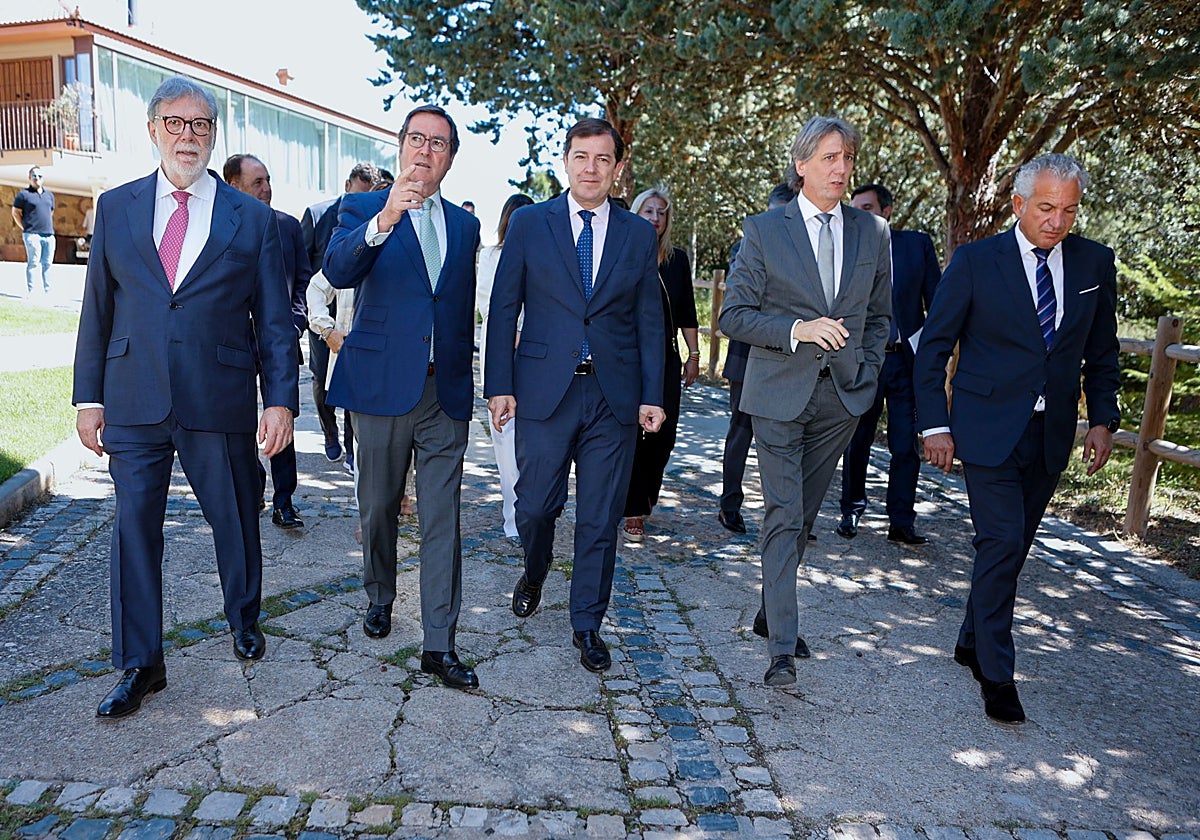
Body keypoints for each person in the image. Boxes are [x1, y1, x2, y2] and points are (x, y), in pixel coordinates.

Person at [72, 76, 298, 719]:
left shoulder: (251, 218)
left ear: (213, 135)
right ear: (153, 130)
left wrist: (279, 400)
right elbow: (97, 310)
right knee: (133, 533)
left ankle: (243, 616)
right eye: (176, 123)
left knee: (235, 518)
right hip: (134, 395)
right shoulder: (116, 208)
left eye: (200, 126)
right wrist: (89, 398)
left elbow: (275, 321)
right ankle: (142, 663)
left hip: (217, 395)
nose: (188, 136)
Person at [914, 153, 1120, 724]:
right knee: (1002, 540)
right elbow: (934, 348)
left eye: (1069, 210)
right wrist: (936, 424)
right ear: (1018, 204)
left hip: (1050, 433)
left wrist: (1102, 419)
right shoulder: (977, 261)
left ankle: (970, 636)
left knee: (1013, 546)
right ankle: (997, 675)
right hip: (984, 429)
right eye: (1047, 207)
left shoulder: (1095, 263)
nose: (1057, 221)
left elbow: (1101, 353)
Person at [485, 117, 666, 674]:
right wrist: (499, 387)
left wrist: (652, 394)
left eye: (603, 159)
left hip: (613, 398)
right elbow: (503, 308)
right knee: (536, 505)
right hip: (543, 392)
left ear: (616, 167)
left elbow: (648, 321)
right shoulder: (532, 225)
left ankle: (587, 623)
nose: (592, 168)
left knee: (600, 518)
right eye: (581, 157)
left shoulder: (638, 234)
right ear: (565, 161)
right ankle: (535, 569)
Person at [719, 116, 892, 687]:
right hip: (776, 394)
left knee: (805, 516)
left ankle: (772, 608)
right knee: (783, 513)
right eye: (828, 158)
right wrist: (799, 329)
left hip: (842, 399)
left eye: (846, 158)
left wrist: (865, 373)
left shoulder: (873, 234)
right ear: (801, 164)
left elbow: (880, 317)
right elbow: (733, 316)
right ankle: (782, 651)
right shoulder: (765, 230)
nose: (841, 169)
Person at [324, 104, 482, 691]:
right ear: (400, 146)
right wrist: (385, 218)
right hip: (381, 387)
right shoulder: (363, 206)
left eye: (438, 143)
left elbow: (458, 309)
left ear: (449, 158)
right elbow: (339, 269)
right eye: (417, 139)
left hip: (445, 392)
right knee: (380, 506)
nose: (426, 151)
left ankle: (439, 643)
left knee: (444, 521)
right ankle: (380, 592)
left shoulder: (464, 228)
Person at [835, 183, 941, 545]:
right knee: (856, 439)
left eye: (866, 207)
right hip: (863, 361)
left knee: (904, 444)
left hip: (905, 363)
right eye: (854, 209)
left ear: (887, 210)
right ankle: (850, 510)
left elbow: (937, 305)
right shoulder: (845, 250)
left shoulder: (916, 246)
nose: (858, 215)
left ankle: (901, 521)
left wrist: (926, 354)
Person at [223, 153, 312, 529]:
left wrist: (294, 322)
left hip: (279, 344)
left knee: (281, 418)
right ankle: (253, 481)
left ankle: (284, 499)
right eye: (257, 182)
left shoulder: (287, 227)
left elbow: (304, 282)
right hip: (232, 347)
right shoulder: (217, 226)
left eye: (268, 180)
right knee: (237, 423)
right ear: (233, 186)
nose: (267, 188)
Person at [621, 186, 699, 541]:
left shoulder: (676, 260)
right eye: (648, 211)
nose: (654, 218)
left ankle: (645, 496)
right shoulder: (621, 254)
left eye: (661, 212)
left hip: (665, 358)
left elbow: (687, 313)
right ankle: (630, 507)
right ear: (636, 214)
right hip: (625, 357)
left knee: (662, 434)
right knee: (629, 433)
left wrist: (693, 355)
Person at [718, 182, 796, 535]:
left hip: (790, 358)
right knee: (741, 432)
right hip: (748, 357)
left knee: (785, 438)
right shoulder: (745, 246)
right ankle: (729, 504)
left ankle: (785, 513)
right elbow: (745, 303)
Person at [301, 162, 379, 468]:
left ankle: (351, 451)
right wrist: (322, 325)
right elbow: (309, 278)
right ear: (348, 186)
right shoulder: (320, 215)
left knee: (354, 396)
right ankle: (330, 434)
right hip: (328, 320)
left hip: (361, 329)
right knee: (323, 381)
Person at [476, 193, 534, 546]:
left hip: (535, 354)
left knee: (534, 439)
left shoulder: (545, 255)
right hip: (500, 352)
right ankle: (513, 516)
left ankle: (534, 508)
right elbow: (487, 302)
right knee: (505, 437)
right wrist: (510, 331)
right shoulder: (492, 256)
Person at [12, 166, 56, 295]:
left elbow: (50, 212)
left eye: (39, 176)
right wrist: (25, 228)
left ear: (43, 178)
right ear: (29, 178)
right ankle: (33, 291)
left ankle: (48, 291)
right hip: (32, 235)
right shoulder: (23, 195)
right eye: (34, 176)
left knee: (47, 264)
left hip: (49, 235)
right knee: (33, 263)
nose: (37, 179)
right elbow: (15, 213)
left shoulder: (49, 195)